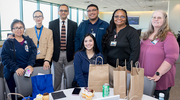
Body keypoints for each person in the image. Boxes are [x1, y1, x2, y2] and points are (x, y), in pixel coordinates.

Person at [139, 10, 179, 100]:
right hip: (145, 78)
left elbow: (172, 57)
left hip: (160, 79)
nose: (156, 19)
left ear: (165, 20)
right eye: (154, 17)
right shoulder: (146, 35)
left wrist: (158, 74)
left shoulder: (168, 36)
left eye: (159, 17)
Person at [102, 9, 140, 86]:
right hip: (109, 67)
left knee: (121, 91)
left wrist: (129, 68)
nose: (119, 19)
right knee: (110, 90)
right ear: (113, 18)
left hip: (124, 68)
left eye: (122, 16)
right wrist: (105, 64)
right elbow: (105, 49)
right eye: (116, 16)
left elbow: (135, 51)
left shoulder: (132, 32)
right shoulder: (110, 31)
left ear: (126, 18)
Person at [1, 19, 37, 100]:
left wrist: (30, 65)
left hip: (27, 71)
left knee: (28, 92)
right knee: (15, 95)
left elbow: (33, 54)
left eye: (21, 27)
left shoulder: (29, 40)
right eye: (16, 28)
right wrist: (16, 68)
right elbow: (4, 58)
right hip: (12, 72)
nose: (19, 30)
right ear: (12, 30)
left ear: (24, 29)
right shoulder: (8, 42)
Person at [49, 4, 78, 91]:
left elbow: (75, 39)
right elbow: (50, 39)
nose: (63, 12)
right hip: (57, 54)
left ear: (68, 12)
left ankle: (68, 92)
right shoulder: (52, 24)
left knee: (68, 75)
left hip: (69, 54)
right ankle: (57, 92)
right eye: (61, 10)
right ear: (58, 12)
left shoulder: (73, 24)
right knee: (57, 76)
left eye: (65, 11)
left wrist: (75, 53)